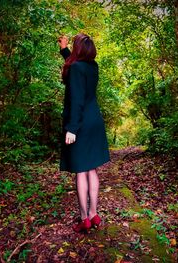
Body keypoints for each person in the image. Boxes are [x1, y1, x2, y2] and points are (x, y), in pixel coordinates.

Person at [57, 34, 110, 233]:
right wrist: (64, 49)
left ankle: (84, 218)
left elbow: (77, 100)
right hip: (94, 121)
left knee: (81, 170)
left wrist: (72, 128)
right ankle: (94, 214)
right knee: (92, 169)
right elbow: (75, 65)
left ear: (78, 49)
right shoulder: (92, 66)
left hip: (81, 124)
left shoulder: (77, 69)